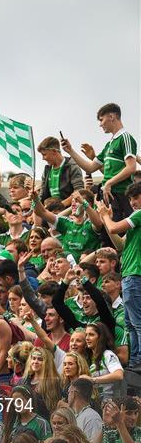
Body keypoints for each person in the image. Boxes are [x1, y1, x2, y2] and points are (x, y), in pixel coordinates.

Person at [61, 102, 137, 220]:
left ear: (111, 116)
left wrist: (109, 183)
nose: (100, 125)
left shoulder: (125, 137)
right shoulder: (109, 145)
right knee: (106, 233)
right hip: (108, 194)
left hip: (121, 194)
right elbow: (90, 167)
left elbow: (131, 167)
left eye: (101, 120)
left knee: (119, 232)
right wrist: (70, 151)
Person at [99, 181, 141, 366]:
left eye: (136, 197)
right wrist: (108, 220)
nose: (133, 202)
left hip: (135, 274)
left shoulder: (140, 214)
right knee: (131, 323)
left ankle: (139, 360)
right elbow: (120, 245)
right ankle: (134, 360)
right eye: (131, 198)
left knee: (137, 322)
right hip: (130, 275)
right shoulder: (136, 219)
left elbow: (115, 228)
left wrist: (105, 217)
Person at [38, 136, 84, 206]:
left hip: (70, 209)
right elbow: (41, 195)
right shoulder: (47, 170)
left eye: (44, 154)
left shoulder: (72, 166)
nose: (43, 158)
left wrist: (60, 206)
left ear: (54, 151)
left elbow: (79, 191)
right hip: (51, 210)